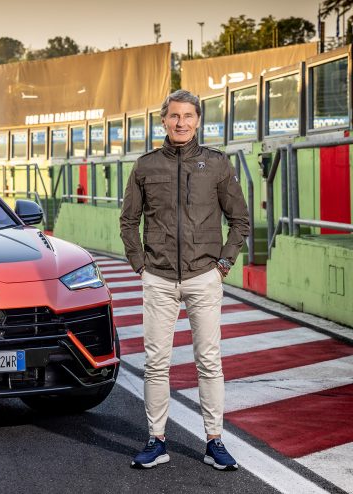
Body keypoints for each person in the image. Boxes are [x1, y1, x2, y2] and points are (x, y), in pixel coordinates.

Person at [119, 89, 250, 470]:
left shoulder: (218, 164)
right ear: (163, 121)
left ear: (197, 121)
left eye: (188, 116)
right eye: (174, 116)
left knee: (209, 361)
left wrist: (224, 263)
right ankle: (157, 440)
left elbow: (239, 219)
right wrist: (139, 264)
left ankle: (214, 441)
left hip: (204, 276)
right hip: (157, 278)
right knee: (156, 363)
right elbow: (129, 220)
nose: (181, 123)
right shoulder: (145, 166)